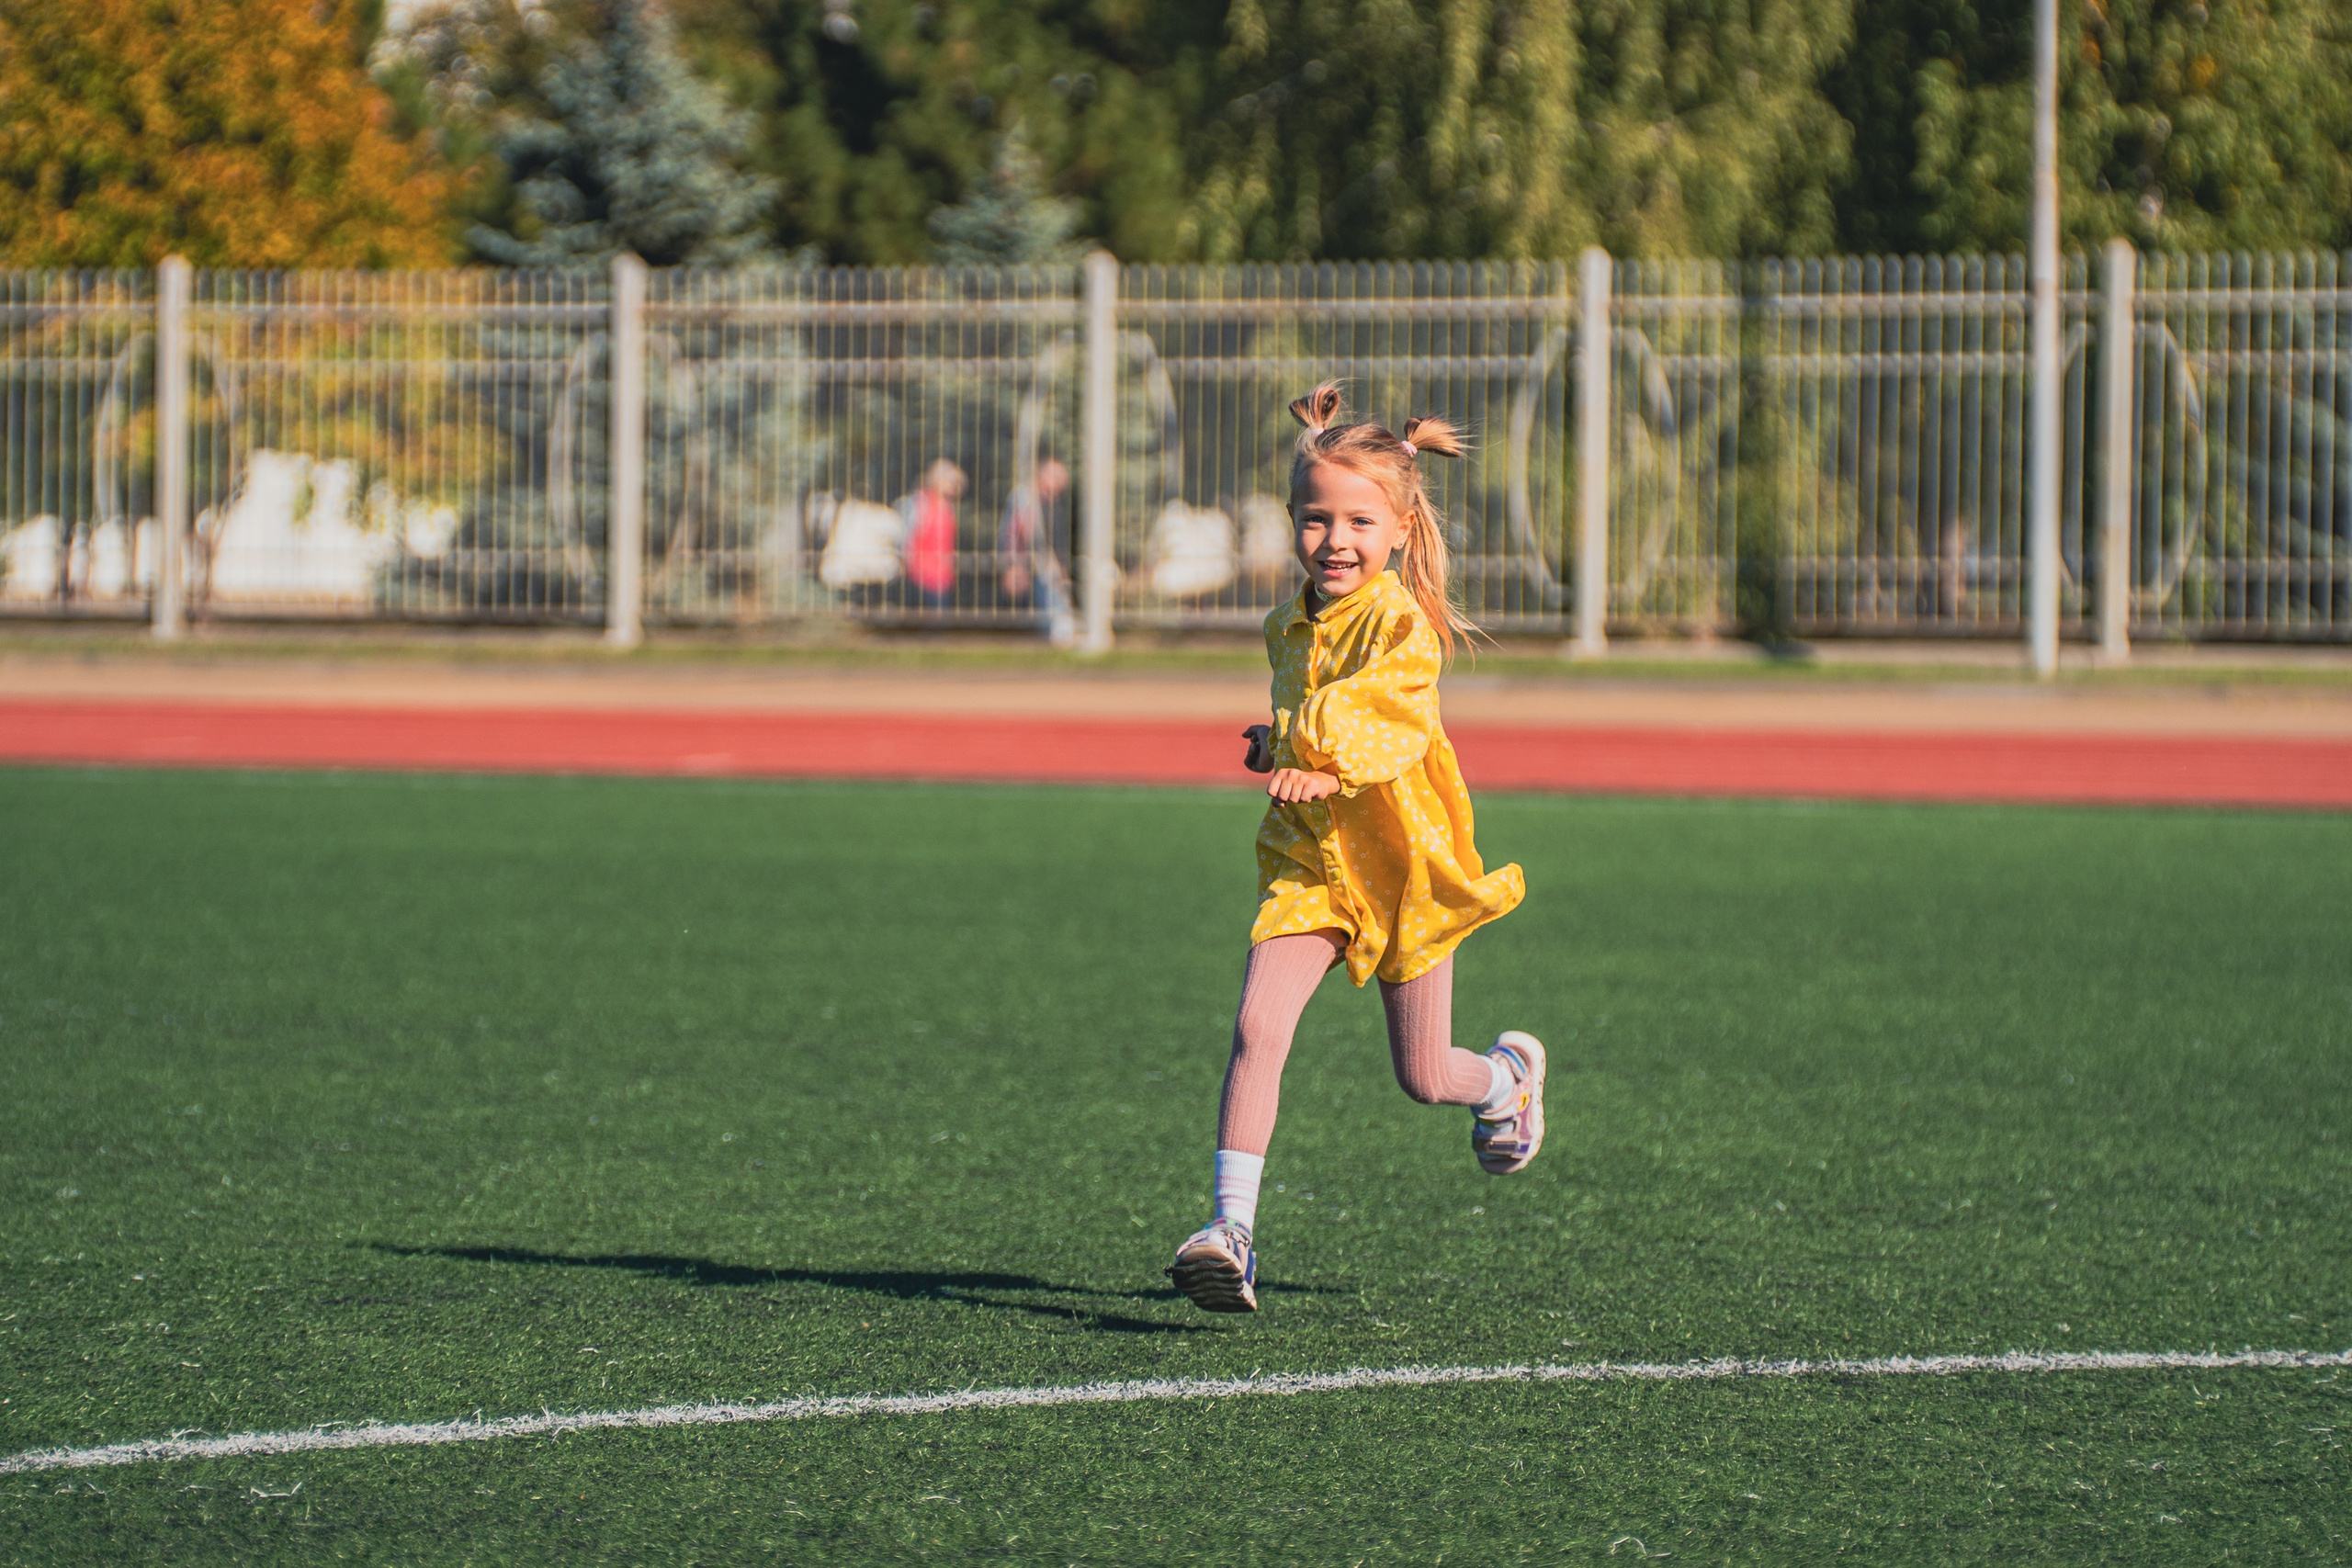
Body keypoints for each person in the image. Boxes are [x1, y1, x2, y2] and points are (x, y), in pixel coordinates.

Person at [1168, 381, 1540, 1314]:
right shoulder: (1283, 624)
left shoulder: (1401, 626)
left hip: (1401, 864)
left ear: (1401, 529)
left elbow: (1393, 727)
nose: (1335, 540)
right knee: (1258, 1029)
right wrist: (1277, 744)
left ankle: (1505, 1081)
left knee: (1423, 1079)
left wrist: (1329, 769)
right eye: (1314, 518)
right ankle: (1231, 1231)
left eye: (1359, 521)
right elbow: (1309, 718)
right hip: (1309, 861)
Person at [998, 457, 1076, 647]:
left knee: (1054, 605)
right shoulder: (1025, 498)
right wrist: (1014, 565)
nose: (1061, 482)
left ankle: (1056, 639)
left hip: (1050, 562)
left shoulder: (1053, 502)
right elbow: (1012, 534)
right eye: (1055, 476)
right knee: (1050, 606)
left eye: (1062, 477)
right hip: (1033, 562)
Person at [903, 458, 966, 610]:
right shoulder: (921, 502)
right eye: (950, 481)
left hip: (942, 578)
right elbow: (908, 537)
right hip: (922, 577)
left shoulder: (947, 507)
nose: (955, 486)